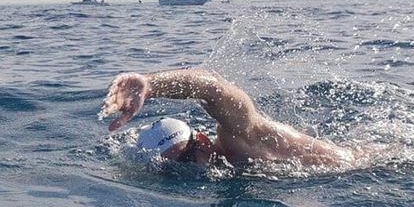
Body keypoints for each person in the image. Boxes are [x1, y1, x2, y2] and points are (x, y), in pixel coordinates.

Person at [100, 68, 356, 168]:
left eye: (187, 159)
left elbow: (215, 90)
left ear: (201, 139)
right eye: (175, 166)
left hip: (363, 166)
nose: (188, 169)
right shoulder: (220, 165)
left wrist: (152, 86)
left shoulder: (239, 138)